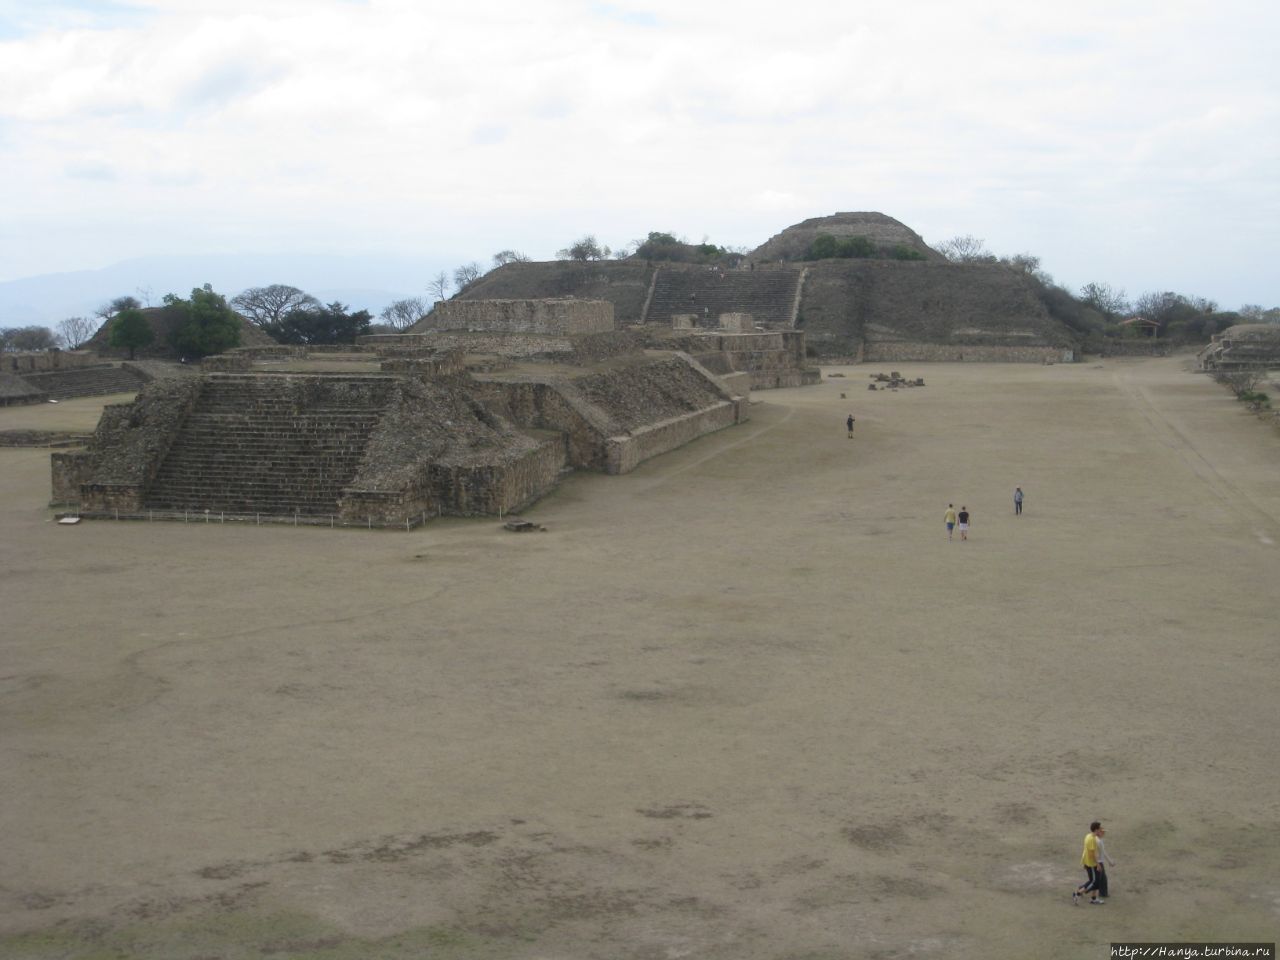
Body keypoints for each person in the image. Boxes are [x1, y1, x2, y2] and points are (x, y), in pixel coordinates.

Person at [1073, 821, 1107, 905]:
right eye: (1099, 828)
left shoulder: (1088, 836)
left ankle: (1094, 899)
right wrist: (1098, 864)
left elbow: (1085, 850)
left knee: (1095, 881)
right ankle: (1077, 894)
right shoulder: (1092, 839)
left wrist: (1084, 862)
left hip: (1088, 862)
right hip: (1092, 864)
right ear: (1096, 829)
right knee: (1094, 882)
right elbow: (1092, 854)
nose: (1101, 829)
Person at [1094, 824, 1117, 900]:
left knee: (1099, 878)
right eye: (1102, 832)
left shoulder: (1099, 839)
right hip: (1098, 862)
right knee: (1102, 879)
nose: (1104, 833)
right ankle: (1103, 893)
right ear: (1098, 832)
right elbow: (1103, 852)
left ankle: (1102, 893)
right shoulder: (1098, 841)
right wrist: (1110, 861)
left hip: (1098, 861)